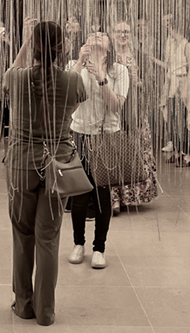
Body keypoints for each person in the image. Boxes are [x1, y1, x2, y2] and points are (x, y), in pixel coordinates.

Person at [5, 18, 86, 326]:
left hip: (22, 164)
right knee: (48, 239)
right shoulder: (72, 81)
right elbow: (72, 110)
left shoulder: (17, 78)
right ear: (62, 48)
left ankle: (23, 305)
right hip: (59, 164)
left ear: (34, 48)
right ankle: (46, 312)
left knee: (22, 235)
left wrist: (26, 42)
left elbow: (9, 78)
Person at [64, 32, 129, 269]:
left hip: (107, 137)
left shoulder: (119, 70)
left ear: (109, 46)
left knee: (102, 195)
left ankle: (99, 247)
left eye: (102, 35)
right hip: (79, 134)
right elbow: (65, 95)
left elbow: (115, 106)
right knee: (79, 194)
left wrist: (101, 77)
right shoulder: (73, 65)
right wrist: (81, 63)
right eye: (92, 34)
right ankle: (78, 244)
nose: (96, 36)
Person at [108, 20, 160, 214]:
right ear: (113, 34)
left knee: (136, 150)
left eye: (127, 32)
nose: (123, 35)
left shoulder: (140, 57)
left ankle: (133, 194)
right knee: (114, 151)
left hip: (135, 109)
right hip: (114, 109)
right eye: (119, 31)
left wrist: (139, 83)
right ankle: (114, 198)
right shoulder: (108, 57)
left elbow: (150, 84)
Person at [155, 12, 190, 167]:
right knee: (174, 119)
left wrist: (186, 88)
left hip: (183, 82)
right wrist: (153, 60)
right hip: (171, 83)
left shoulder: (187, 45)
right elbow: (169, 65)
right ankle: (178, 150)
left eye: (168, 23)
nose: (166, 25)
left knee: (187, 119)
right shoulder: (169, 42)